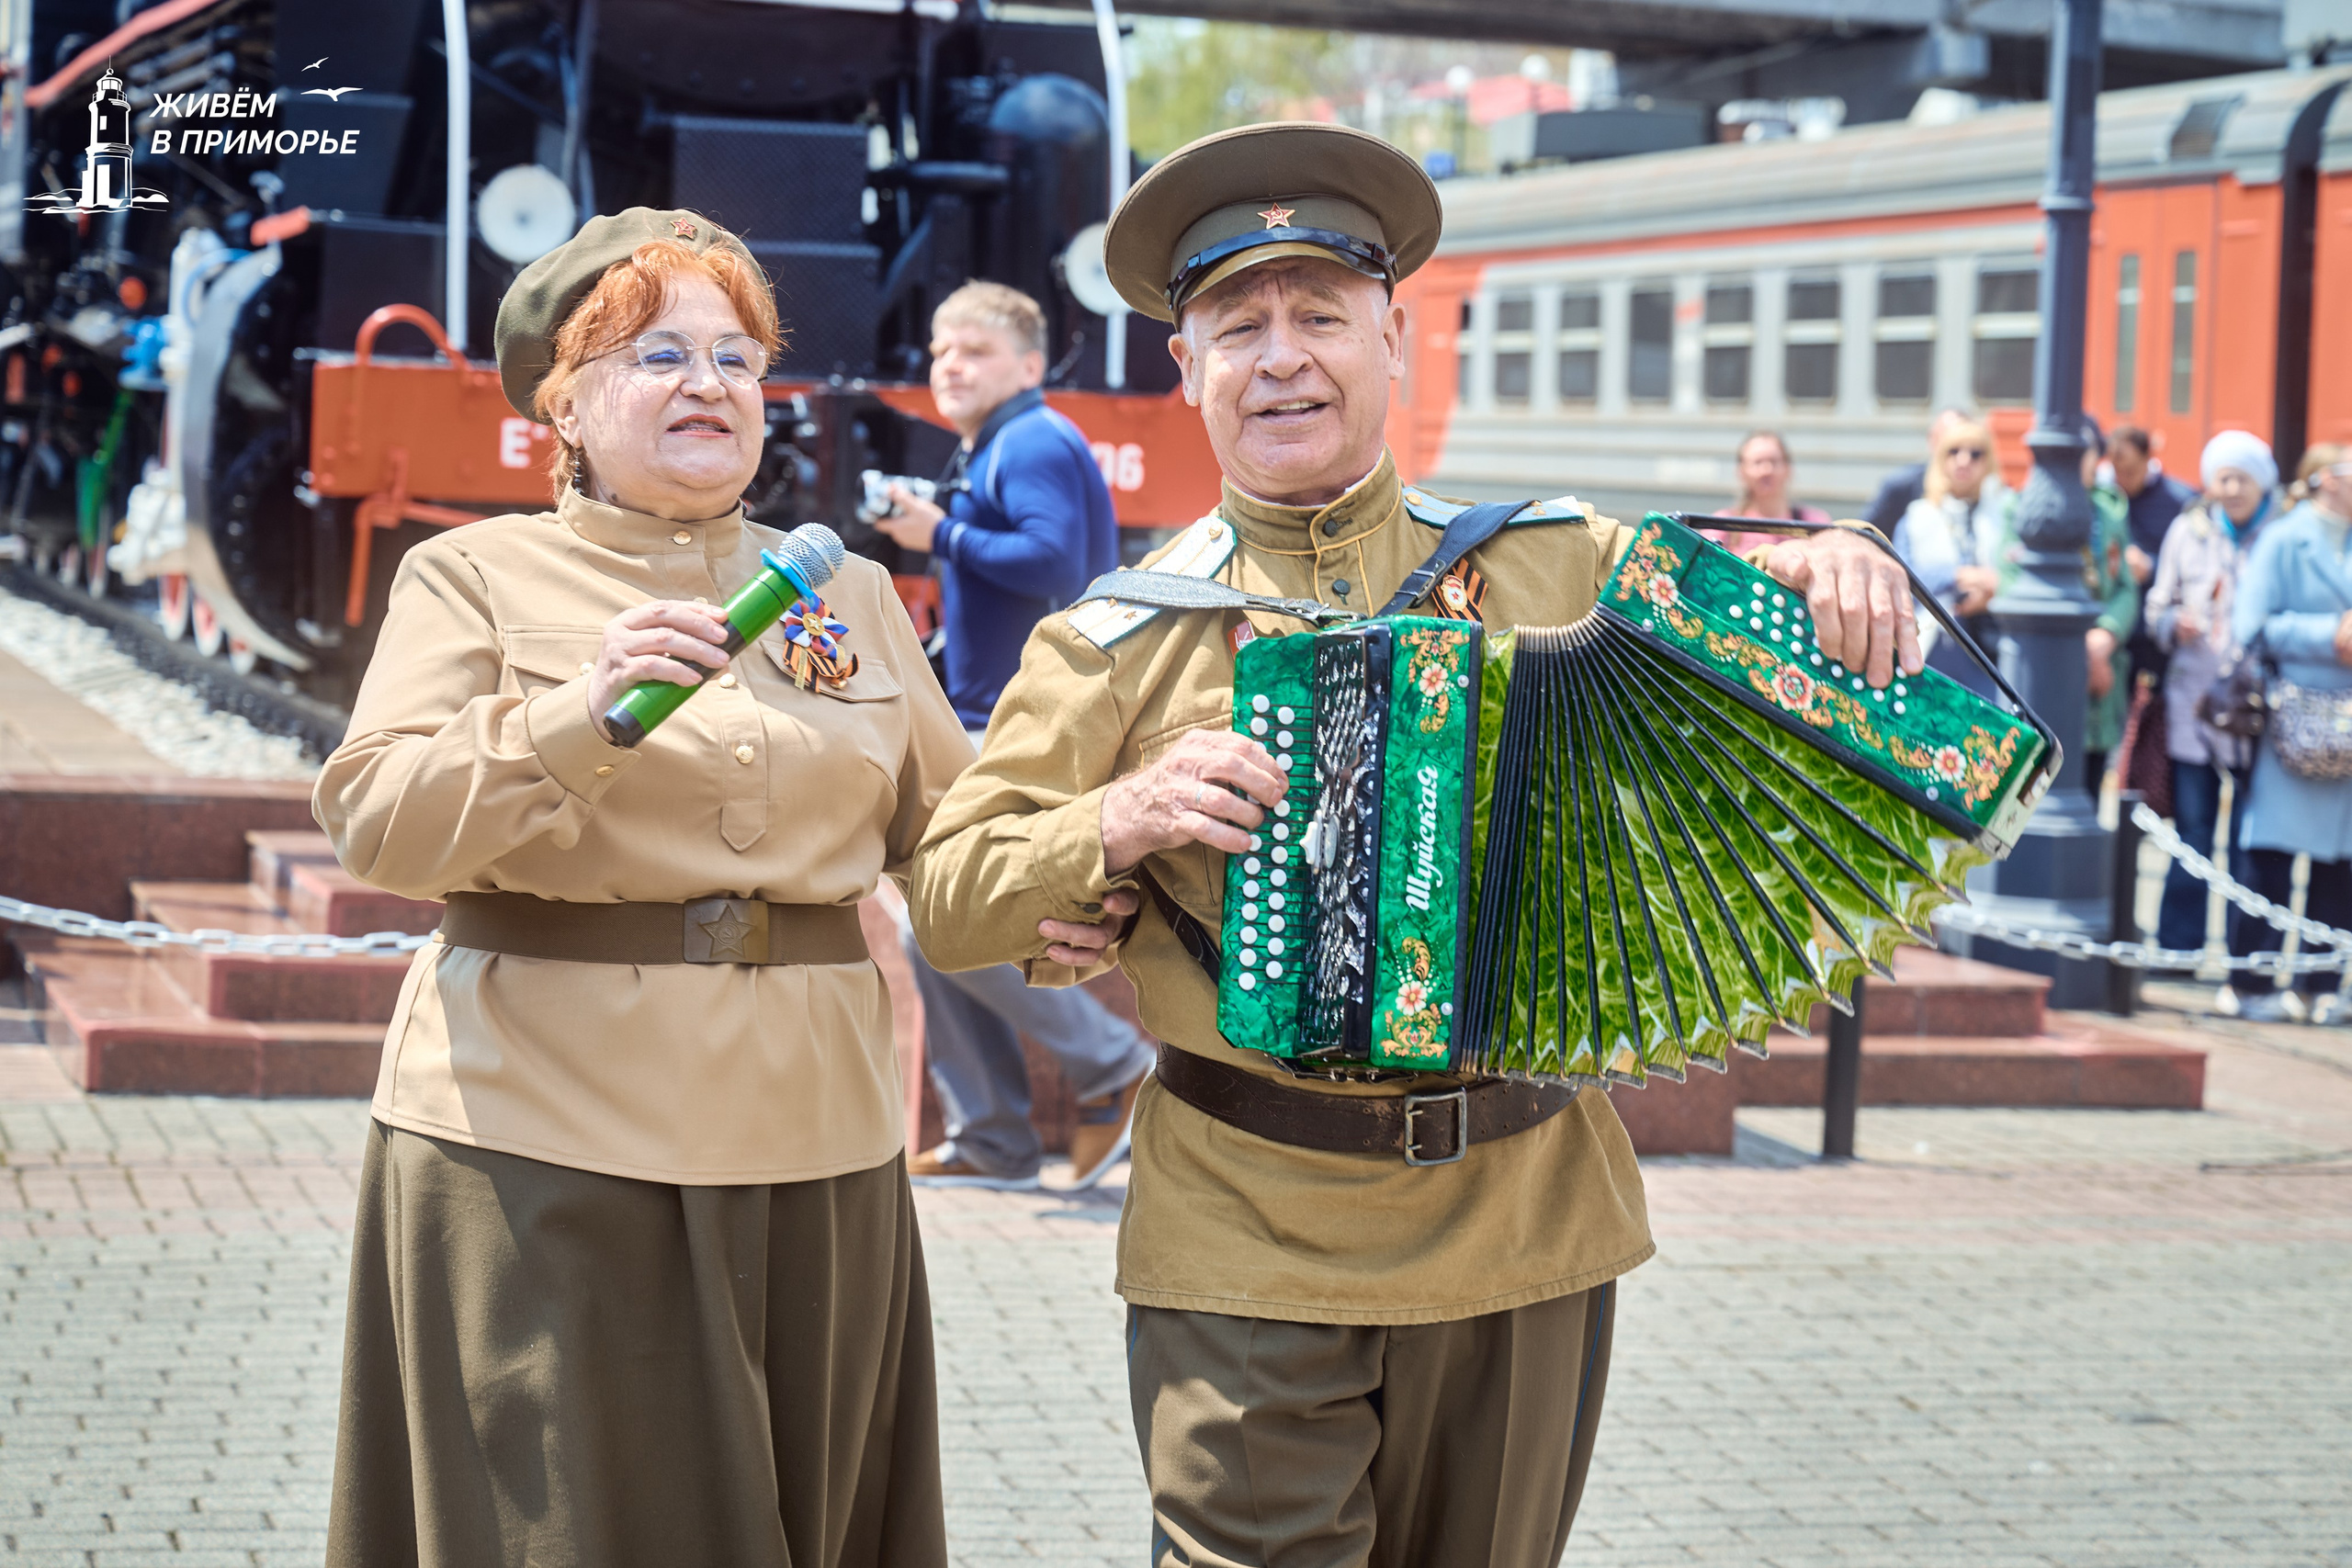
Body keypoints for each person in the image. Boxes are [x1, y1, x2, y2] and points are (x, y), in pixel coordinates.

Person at [907, 121, 1924, 1567]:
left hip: (1527, 1218)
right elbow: (947, 896)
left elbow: (1768, 614)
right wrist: (1112, 819)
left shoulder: (1550, 558)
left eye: (1322, 315)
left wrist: (1837, 554)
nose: (1283, 359)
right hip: (1247, 1231)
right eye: (1236, 326)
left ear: (1396, 341)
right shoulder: (1117, 636)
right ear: (1185, 369)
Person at [313, 209, 970, 1568]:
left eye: (741, 355)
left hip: (822, 1149)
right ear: (564, 398)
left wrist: (1107, 852)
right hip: (543, 1138)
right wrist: (580, 711)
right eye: (660, 351)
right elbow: (377, 821)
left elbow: (959, 838)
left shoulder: (838, 585)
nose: (712, 382)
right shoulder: (475, 576)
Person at [869, 281, 1153, 1190]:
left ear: (1029, 366)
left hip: (1026, 727)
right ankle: (991, 1136)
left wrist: (937, 530)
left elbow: (1051, 561)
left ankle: (1105, 1067)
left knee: (935, 916)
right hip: (997, 717)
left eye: (976, 352)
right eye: (941, 352)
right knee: (932, 917)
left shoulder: (1028, 439)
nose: (950, 366)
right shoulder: (1002, 443)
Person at [2222, 444, 2352, 1024]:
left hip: (2347, 725)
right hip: (2292, 718)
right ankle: (2249, 981)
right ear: (2326, 479)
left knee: (2340, 864)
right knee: (2270, 856)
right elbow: (2252, 625)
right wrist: (2329, 635)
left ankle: (2320, 982)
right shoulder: (2283, 537)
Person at [2146, 429, 2279, 964]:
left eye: (2242, 477)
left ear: (2262, 483)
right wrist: (2168, 624)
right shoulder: (2188, 531)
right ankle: (2179, 949)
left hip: (2257, 713)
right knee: (2194, 830)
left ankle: (2244, 960)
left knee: (2252, 837)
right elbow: (2156, 605)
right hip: (2194, 706)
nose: (2231, 488)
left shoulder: (2280, 537)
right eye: (2223, 476)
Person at [1993, 418, 2137, 793]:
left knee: (2087, 783)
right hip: (2041, 671)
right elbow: (2009, 578)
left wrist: (2104, 637)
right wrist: (2076, 643)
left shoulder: (2108, 514)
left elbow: (2125, 588)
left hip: (2098, 683)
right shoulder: (2020, 508)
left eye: (2082, 452)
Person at [1892, 414, 2008, 697]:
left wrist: (1994, 588)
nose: (1964, 460)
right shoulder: (1917, 515)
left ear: (1988, 461)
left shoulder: (2006, 511)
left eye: (1975, 453)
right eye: (1954, 451)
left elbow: (2023, 574)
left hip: (1995, 648)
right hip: (1935, 648)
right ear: (1940, 458)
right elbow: (1901, 576)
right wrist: (1957, 577)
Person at [2109, 424, 2197, 690]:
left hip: (2158, 633)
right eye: (2117, 471)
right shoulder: (2108, 496)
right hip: (2118, 627)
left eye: (2131, 472)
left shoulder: (2180, 499)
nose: (2123, 480)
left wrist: (2151, 567)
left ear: (2149, 460)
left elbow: (2194, 566)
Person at [1701, 429, 1829, 557]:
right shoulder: (1722, 525)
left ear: (1788, 468)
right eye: (1758, 462)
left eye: (1773, 462)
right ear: (1741, 471)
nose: (1766, 470)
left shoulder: (1813, 523)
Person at [1865, 405, 1974, 535]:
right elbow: (1866, 535)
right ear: (1931, 440)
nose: (1963, 460)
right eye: (1952, 448)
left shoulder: (1988, 494)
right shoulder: (1901, 487)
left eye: (1975, 452)